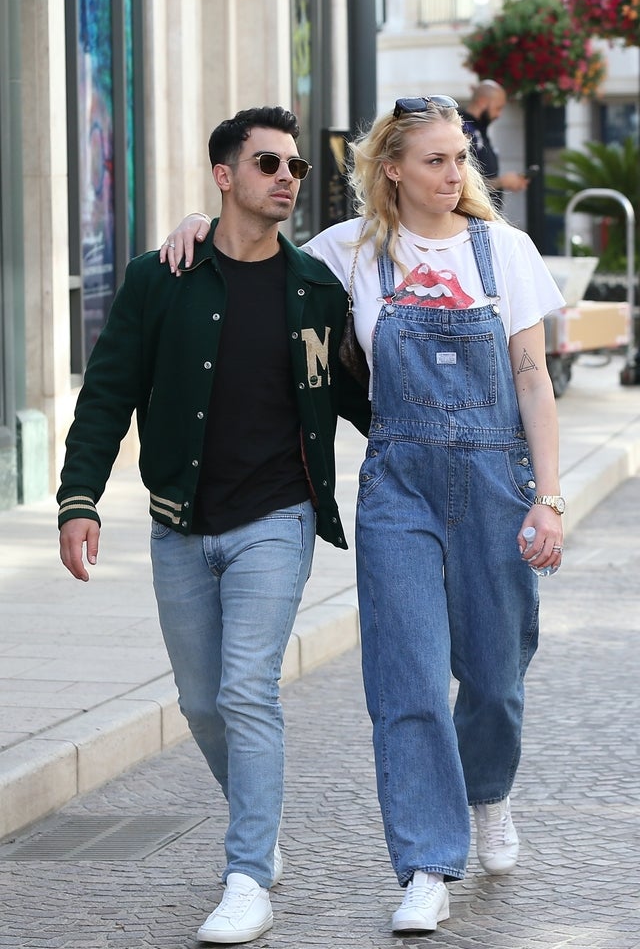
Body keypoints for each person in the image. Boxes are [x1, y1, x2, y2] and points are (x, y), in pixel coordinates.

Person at [161, 94, 565, 935]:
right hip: (399, 488)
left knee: (495, 677)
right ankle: (424, 864)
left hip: (498, 481)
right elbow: (253, 255)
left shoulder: (508, 250)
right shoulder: (349, 253)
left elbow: (532, 379)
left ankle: (487, 793)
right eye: (436, 160)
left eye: (461, 159)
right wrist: (202, 218)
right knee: (407, 681)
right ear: (393, 169)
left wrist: (550, 495)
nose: (455, 174)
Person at [58, 105, 371, 946]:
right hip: (178, 525)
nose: (288, 178)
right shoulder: (159, 279)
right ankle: (259, 826)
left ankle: (244, 876)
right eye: (269, 163)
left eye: (297, 168)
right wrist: (79, 497)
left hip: (279, 516)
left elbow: (353, 397)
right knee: (200, 702)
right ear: (224, 176)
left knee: (244, 689)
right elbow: (107, 393)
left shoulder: (317, 288)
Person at [460, 80, 530, 209]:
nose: (499, 115)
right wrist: (502, 181)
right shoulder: (464, 129)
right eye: (498, 108)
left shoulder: (479, 129)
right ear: (482, 101)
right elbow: (461, 184)